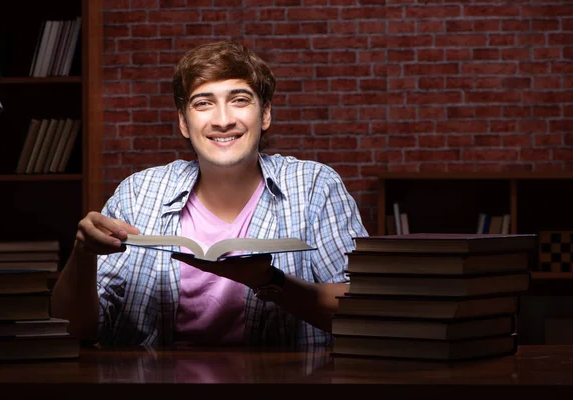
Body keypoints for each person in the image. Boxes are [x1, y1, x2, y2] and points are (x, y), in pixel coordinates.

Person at [51, 40, 368, 348]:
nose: (223, 120)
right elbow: (76, 330)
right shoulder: (137, 193)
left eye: (240, 100)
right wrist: (82, 255)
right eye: (203, 103)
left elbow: (365, 310)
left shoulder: (315, 187)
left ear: (266, 114)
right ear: (184, 123)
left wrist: (270, 281)